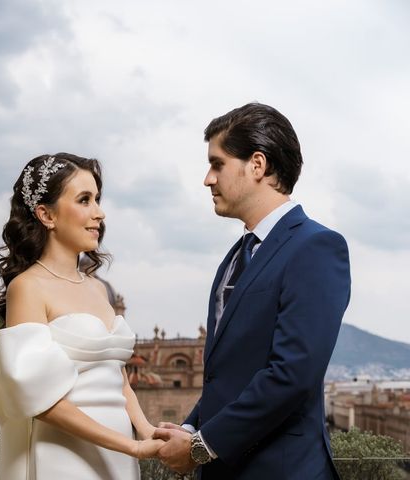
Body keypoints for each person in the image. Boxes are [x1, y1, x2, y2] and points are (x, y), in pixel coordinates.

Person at [153, 103, 351, 479]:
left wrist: (200, 447)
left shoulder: (316, 247)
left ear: (257, 165)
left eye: (217, 164)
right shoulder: (234, 257)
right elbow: (228, 376)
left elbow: (292, 375)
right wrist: (191, 428)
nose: (207, 179)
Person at [0, 153, 163, 479]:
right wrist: (130, 446)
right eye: (84, 200)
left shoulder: (96, 288)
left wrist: (146, 430)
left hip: (119, 457)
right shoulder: (27, 288)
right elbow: (40, 400)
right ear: (46, 214)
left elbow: (116, 377)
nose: (99, 213)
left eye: (97, 199)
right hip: (66, 457)